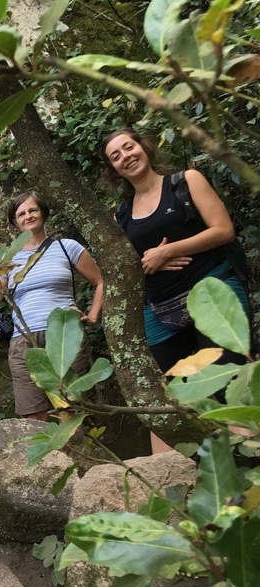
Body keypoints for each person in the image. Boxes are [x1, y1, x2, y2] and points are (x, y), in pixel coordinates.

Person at [100, 127, 248, 452]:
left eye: (128, 147)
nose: (126, 157)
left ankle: (249, 466)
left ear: (144, 147)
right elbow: (124, 270)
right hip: (159, 310)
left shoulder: (185, 182)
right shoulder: (121, 215)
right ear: (114, 169)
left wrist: (169, 251)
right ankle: (166, 477)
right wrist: (148, 262)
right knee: (165, 399)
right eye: (116, 156)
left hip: (211, 291)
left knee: (228, 384)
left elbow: (223, 230)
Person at [0, 192, 104, 421]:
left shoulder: (66, 247)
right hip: (23, 341)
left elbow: (100, 281)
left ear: (43, 213)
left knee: (70, 411)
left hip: (64, 336)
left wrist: (93, 315)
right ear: (15, 221)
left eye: (32, 210)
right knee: (33, 417)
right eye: (21, 214)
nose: (28, 216)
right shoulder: (8, 260)